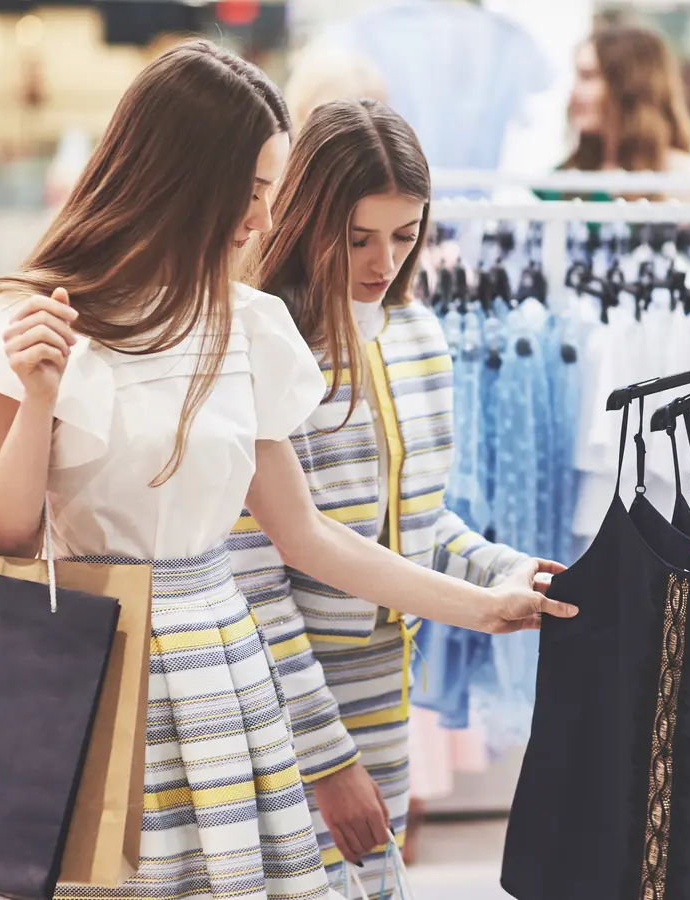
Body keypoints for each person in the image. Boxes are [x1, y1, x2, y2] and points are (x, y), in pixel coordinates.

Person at [0, 42, 574, 900]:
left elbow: (310, 536)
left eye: (271, 193)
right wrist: (35, 401)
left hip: (224, 672)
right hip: (93, 655)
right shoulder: (33, 320)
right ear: (180, 178)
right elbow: (1, 539)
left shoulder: (247, 329)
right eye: (250, 192)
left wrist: (488, 608)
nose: (260, 219)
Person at [232, 98, 560, 898]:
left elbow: (419, 519)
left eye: (405, 234)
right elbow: (255, 578)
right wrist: (327, 757)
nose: (384, 260)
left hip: (387, 679)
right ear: (306, 218)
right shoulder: (265, 345)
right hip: (284, 687)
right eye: (358, 238)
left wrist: (503, 569)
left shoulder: (417, 333)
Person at [542, 25, 690, 200]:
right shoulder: (565, 178)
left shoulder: (684, 182)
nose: (574, 92)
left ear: (629, 87)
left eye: (588, 77)